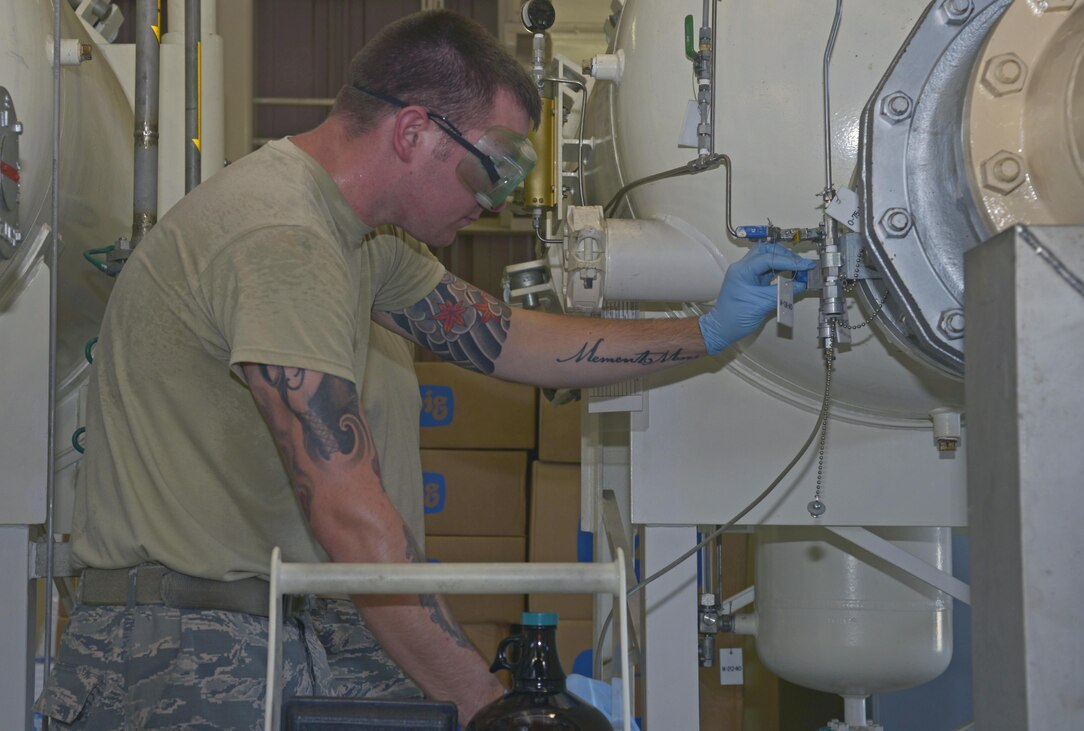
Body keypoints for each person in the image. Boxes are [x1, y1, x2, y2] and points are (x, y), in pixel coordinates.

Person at [36, 9, 814, 729]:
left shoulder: (359, 238)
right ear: (413, 132)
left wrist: (707, 330)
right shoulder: (283, 237)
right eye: (492, 171)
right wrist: (490, 709)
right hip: (189, 651)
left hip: (290, 618)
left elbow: (502, 338)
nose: (496, 204)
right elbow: (352, 521)